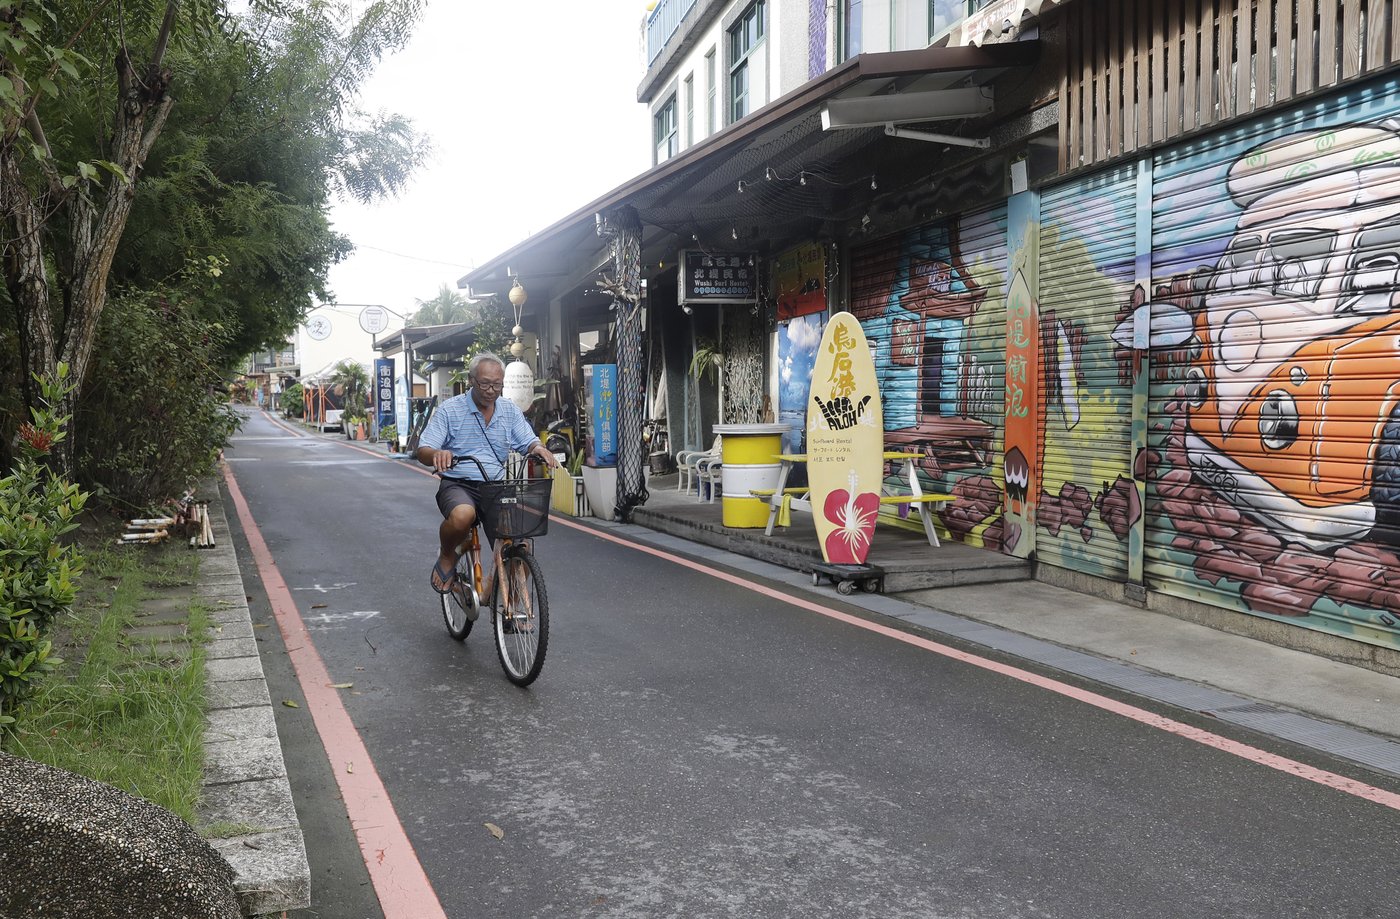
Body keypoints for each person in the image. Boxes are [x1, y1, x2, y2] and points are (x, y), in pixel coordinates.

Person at [417, 352, 559, 595]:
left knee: (520, 542)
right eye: (485, 383)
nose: (491, 390)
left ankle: (514, 607)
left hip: (496, 486)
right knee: (463, 515)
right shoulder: (450, 410)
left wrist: (539, 449)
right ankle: (447, 554)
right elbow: (423, 449)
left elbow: (528, 440)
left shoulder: (509, 410)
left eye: (497, 384)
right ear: (472, 380)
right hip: (458, 484)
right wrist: (437, 454)